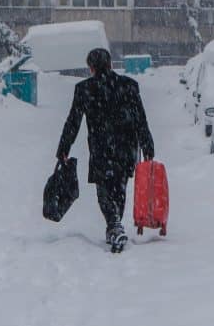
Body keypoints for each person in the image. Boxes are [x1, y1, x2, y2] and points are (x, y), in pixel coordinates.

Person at [56, 48, 154, 249]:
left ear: (91, 67)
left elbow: (72, 122)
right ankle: (114, 225)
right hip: (126, 147)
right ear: (110, 64)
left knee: (104, 190)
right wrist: (147, 144)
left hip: (101, 147)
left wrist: (64, 147)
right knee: (120, 186)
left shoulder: (84, 89)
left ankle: (113, 224)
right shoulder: (128, 86)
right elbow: (140, 119)